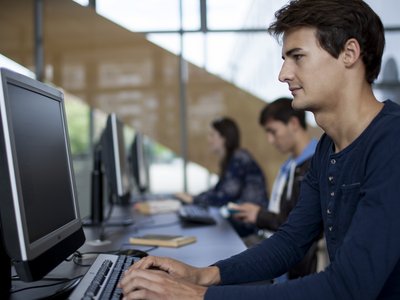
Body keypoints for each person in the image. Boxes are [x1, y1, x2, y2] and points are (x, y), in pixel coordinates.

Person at [118, 1, 400, 299]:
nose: (283, 74)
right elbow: (290, 242)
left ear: (349, 53)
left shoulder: (392, 141)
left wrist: (197, 295)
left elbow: (348, 287)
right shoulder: (327, 148)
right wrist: (203, 274)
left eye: (297, 57)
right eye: (284, 59)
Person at [232, 97, 320, 279]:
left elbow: (299, 225)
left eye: (273, 131)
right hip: (282, 258)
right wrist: (259, 213)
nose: (270, 140)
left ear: (294, 123)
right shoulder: (292, 164)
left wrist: (259, 216)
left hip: (297, 269)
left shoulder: (314, 165)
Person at [176, 116, 269, 237]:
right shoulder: (231, 159)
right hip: (242, 220)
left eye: (212, 135)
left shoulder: (239, 158)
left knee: (204, 234)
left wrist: (194, 200)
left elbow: (225, 195)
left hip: (248, 224)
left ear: (224, 138)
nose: (209, 139)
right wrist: (194, 197)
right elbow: (217, 190)